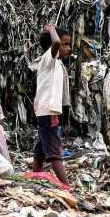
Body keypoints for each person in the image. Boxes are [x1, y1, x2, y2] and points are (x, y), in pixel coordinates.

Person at [31, 23, 71, 187]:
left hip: (46, 110)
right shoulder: (48, 58)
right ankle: (66, 186)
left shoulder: (57, 64)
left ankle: (36, 177)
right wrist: (52, 30)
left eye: (69, 44)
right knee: (55, 152)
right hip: (48, 111)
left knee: (41, 150)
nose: (69, 48)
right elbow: (54, 43)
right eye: (65, 44)